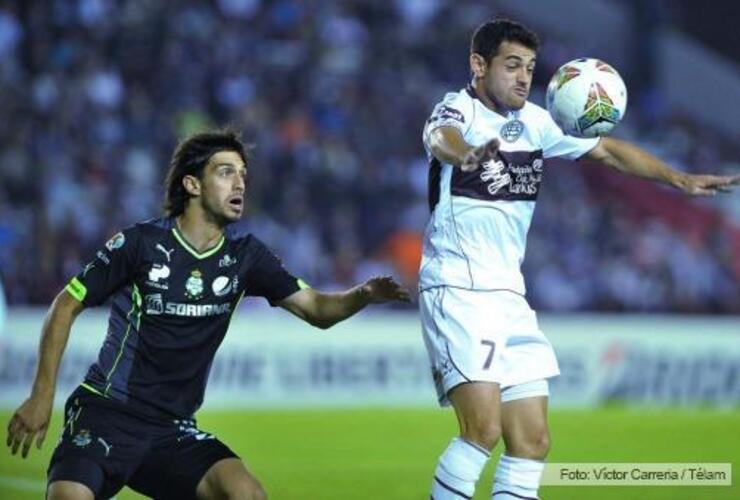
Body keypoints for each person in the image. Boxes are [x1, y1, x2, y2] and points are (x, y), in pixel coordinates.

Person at [419, 18, 740, 500]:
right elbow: (439, 138)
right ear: (478, 65)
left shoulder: (536, 121)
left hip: (509, 296)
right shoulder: (458, 108)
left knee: (532, 441)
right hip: (458, 287)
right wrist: (465, 155)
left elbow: (608, 151)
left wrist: (679, 179)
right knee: (481, 430)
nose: (525, 78)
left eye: (529, 67)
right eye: (512, 66)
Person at [6, 129, 410, 500]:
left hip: (172, 430)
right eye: (225, 172)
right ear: (192, 184)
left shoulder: (245, 257)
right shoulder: (139, 244)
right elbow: (65, 305)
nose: (240, 183)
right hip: (107, 414)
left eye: (243, 175)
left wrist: (363, 294)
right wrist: (42, 396)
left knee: (246, 493)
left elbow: (318, 310)